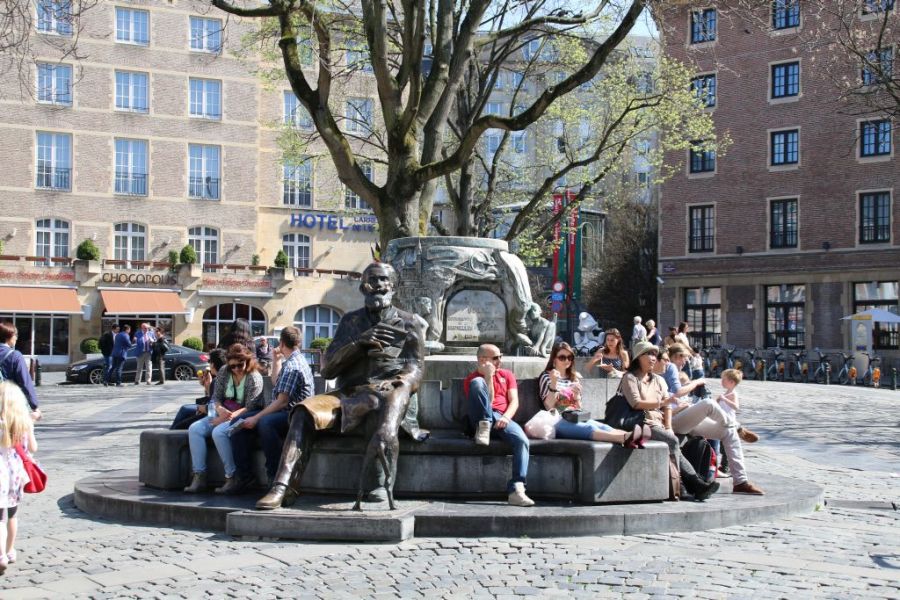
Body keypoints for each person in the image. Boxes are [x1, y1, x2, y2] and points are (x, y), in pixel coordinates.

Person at [255, 262, 425, 510]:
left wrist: (398, 384)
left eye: (383, 280)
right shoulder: (350, 321)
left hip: (386, 394)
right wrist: (358, 344)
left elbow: (416, 368)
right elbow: (328, 369)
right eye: (372, 280)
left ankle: (378, 484)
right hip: (347, 393)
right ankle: (282, 487)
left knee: (377, 406)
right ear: (362, 287)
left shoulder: (410, 322)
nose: (378, 285)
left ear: (393, 286)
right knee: (302, 412)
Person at [620, 341, 719, 501]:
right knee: (672, 441)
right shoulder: (630, 378)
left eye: (654, 354)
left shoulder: (659, 380)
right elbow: (636, 403)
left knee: (675, 439)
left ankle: (689, 485)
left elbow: (667, 406)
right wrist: (662, 403)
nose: (653, 358)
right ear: (638, 357)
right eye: (649, 354)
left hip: (657, 423)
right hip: (639, 423)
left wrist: (668, 426)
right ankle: (691, 484)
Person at [661, 351, 765, 496]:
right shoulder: (653, 381)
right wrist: (680, 406)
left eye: (667, 360)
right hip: (671, 421)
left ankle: (740, 482)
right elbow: (656, 409)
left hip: (686, 418)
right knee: (708, 403)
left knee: (728, 432)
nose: (667, 363)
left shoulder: (666, 378)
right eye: (664, 360)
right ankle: (736, 425)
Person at [231, 327, 313, 492]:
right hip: (287, 410)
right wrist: (276, 361)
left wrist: (256, 418)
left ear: (281, 343)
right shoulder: (294, 360)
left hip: (294, 415)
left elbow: (282, 402)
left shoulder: (293, 366)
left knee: (265, 423)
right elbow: (277, 383)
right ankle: (245, 477)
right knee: (238, 423)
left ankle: (274, 474)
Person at [184, 344, 265, 494]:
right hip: (221, 412)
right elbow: (216, 397)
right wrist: (220, 410)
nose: (236, 369)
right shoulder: (224, 371)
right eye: (232, 366)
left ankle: (232, 476)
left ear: (247, 361)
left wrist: (227, 418)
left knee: (219, 432)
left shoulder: (254, 377)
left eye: (240, 365)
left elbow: (251, 406)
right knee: (194, 429)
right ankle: (199, 476)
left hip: (243, 415)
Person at [464, 344, 534, 507]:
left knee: (522, 441)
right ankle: (485, 425)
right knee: (478, 382)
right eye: (496, 358)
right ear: (483, 360)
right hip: (480, 419)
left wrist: (507, 418)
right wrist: (488, 377)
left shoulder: (507, 375)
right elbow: (488, 403)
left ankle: (517, 489)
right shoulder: (471, 380)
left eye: (500, 356)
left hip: (502, 418)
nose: (500, 360)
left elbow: (514, 401)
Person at [540, 342, 649, 446]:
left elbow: (578, 408)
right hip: (556, 421)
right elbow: (549, 407)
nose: (567, 360)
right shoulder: (547, 377)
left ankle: (637, 437)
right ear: (554, 359)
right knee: (589, 428)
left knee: (602, 427)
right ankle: (625, 438)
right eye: (562, 357)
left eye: (570, 357)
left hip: (574, 417)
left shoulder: (573, 378)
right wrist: (554, 383)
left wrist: (577, 397)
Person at [0, 382, 36, 574]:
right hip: (15, 474)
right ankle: (10, 550)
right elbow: (33, 448)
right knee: (12, 514)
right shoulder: (23, 422)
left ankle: (0, 556)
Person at [170, 349, 227, 430]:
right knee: (185, 409)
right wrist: (207, 386)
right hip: (213, 411)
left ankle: (170, 433)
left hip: (213, 415)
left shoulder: (218, 380)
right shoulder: (220, 378)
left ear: (213, 364)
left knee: (181, 421)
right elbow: (213, 399)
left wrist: (200, 408)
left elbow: (212, 406)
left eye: (209, 362)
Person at [0, 324, 40, 421]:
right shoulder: (15, 356)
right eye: (16, 335)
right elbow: (25, 382)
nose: (17, 338)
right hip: (10, 405)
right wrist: (35, 407)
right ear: (9, 336)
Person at [716, 369, 760, 444]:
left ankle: (738, 430)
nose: (721, 381)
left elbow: (736, 406)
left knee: (726, 438)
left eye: (724, 380)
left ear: (732, 382)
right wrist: (717, 400)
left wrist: (724, 399)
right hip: (722, 419)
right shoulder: (725, 394)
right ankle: (738, 430)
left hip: (728, 420)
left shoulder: (733, 394)